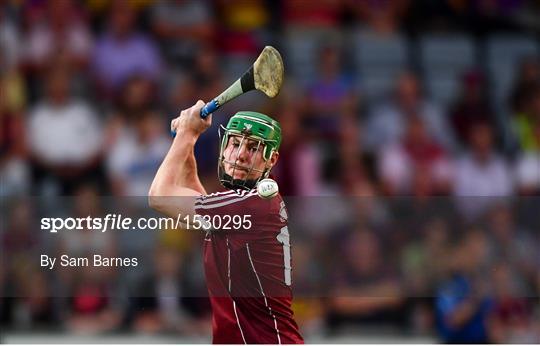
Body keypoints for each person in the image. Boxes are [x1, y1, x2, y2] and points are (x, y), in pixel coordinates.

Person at [149, 101, 304, 344]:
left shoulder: (252, 204)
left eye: (254, 147)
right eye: (235, 143)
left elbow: (159, 196)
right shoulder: (246, 204)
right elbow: (190, 190)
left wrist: (185, 133)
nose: (241, 154)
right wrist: (190, 138)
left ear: (271, 160)